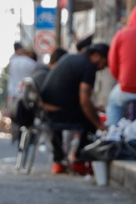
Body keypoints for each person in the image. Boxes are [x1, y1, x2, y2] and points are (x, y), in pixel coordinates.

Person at [39, 43, 109, 176]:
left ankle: (58, 161)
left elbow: (70, 95)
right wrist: (99, 125)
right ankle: (78, 160)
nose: (103, 68)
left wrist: (93, 108)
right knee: (90, 121)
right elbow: (84, 101)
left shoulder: (72, 58)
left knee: (88, 114)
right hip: (58, 111)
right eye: (104, 63)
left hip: (46, 110)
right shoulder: (88, 67)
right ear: (96, 56)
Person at [6, 42, 36, 143]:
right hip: (27, 95)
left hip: (15, 93)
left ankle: (15, 136)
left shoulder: (12, 61)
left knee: (15, 117)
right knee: (26, 118)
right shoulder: (31, 63)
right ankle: (27, 137)